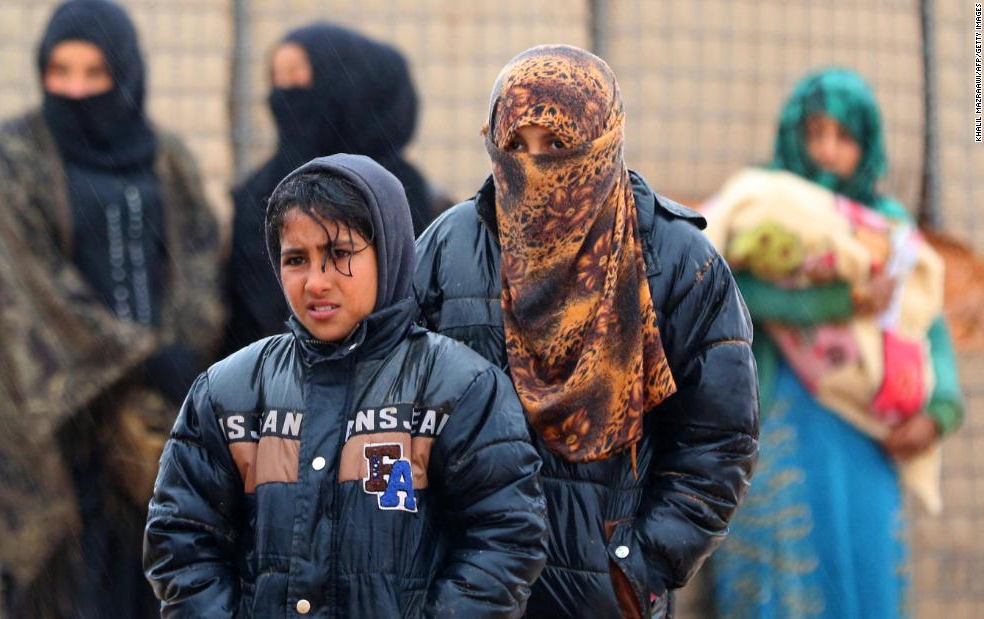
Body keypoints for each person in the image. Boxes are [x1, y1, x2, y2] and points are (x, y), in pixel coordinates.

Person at [412, 45, 760, 618]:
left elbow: (719, 438)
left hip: (604, 596)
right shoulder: (451, 248)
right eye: (515, 145)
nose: (533, 165)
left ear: (600, 141)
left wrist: (639, 564)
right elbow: (401, 410)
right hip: (467, 591)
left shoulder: (675, 258)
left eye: (557, 145)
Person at [144, 154, 547, 617]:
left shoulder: (461, 390)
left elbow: (505, 538)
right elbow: (181, 539)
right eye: (297, 259)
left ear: (389, 251)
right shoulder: (227, 395)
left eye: (339, 255)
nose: (316, 282)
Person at [0, 1, 223, 616]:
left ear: (125, 74)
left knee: (155, 584)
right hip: (54, 424)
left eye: (94, 73)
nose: (75, 90)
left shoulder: (167, 157)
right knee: (65, 592)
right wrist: (142, 355)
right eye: (60, 71)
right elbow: (26, 282)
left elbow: (200, 255)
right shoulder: (14, 155)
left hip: (155, 424)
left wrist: (181, 352)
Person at [706, 68, 965, 619]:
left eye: (843, 137)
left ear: (866, 146)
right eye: (814, 133)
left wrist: (939, 412)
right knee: (783, 565)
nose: (826, 150)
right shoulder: (762, 205)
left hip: (867, 434)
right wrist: (838, 302)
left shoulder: (889, 229)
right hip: (776, 417)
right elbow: (729, 291)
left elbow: (928, 323)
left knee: (862, 567)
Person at [225, 22, 439, 353]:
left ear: (344, 85)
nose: (285, 92)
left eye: (297, 75)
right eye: (277, 78)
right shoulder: (258, 192)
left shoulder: (398, 192)